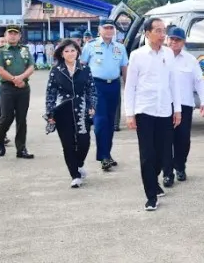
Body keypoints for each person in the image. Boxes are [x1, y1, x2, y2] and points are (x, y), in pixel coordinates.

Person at [124, 17, 182, 211]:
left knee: (163, 154)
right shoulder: (137, 55)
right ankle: (150, 195)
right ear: (147, 33)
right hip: (145, 110)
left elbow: (174, 83)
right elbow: (130, 86)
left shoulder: (168, 54)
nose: (162, 34)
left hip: (165, 109)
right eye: (157, 30)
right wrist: (129, 114)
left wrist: (178, 109)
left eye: (163, 30)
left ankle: (154, 181)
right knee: (147, 155)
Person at [45, 39, 97, 188]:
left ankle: (79, 164)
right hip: (63, 110)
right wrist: (50, 113)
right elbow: (50, 93)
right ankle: (74, 175)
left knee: (84, 141)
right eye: (66, 51)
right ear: (62, 53)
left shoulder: (85, 69)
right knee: (67, 144)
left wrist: (92, 105)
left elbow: (91, 89)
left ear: (78, 52)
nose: (70, 53)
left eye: (73, 50)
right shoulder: (56, 70)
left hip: (82, 109)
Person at [162, 27, 204, 187]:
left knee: (182, 140)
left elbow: (199, 81)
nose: (174, 42)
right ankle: (167, 173)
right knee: (165, 140)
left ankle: (180, 166)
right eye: (171, 39)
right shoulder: (160, 57)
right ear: (167, 40)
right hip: (164, 105)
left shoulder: (190, 60)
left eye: (178, 40)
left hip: (185, 105)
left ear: (183, 42)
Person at [80, 19, 128, 171]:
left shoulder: (120, 47)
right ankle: (104, 156)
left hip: (113, 85)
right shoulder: (91, 45)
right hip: (96, 85)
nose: (108, 31)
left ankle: (107, 153)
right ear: (99, 30)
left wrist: (127, 87)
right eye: (105, 28)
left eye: (111, 28)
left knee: (110, 121)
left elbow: (124, 67)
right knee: (100, 121)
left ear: (114, 30)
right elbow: (82, 65)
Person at [0, 25, 35, 159]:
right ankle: (0, 141)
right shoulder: (0, 51)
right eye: (10, 33)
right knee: (6, 117)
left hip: (23, 87)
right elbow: (0, 70)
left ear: (19, 36)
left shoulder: (25, 50)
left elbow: (31, 66)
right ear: (5, 35)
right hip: (7, 88)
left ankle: (21, 149)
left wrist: (21, 78)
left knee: (21, 119)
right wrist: (14, 79)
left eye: (15, 33)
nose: (12, 35)